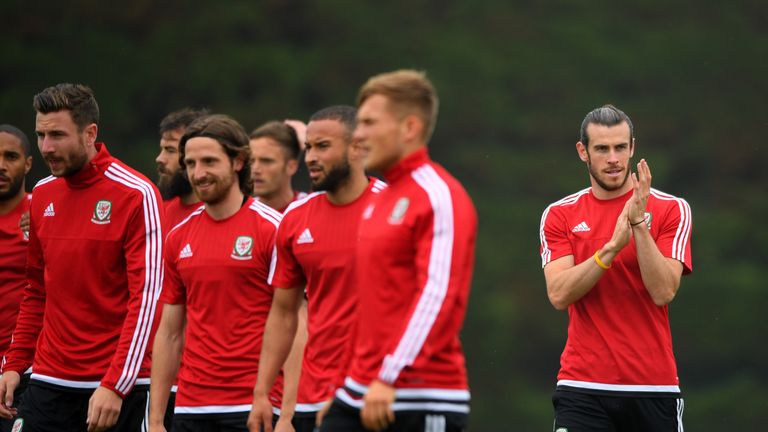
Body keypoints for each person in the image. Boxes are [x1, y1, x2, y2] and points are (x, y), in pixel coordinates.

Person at [0, 83, 164, 431]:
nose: (47, 147)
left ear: (90, 133)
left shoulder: (136, 193)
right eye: (41, 135)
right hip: (48, 379)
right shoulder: (43, 194)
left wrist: (116, 384)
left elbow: (147, 301)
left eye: (57, 135)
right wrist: (15, 365)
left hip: (116, 385)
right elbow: (36, 291)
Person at [321, 70, 477, 432]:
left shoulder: (438, 195)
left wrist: (390, 376)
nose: (358, 134)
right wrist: (343, 383)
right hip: (359, 389)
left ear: (408, 128)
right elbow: (369, 301)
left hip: (417, 397)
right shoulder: (382, 198)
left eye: (370, 123)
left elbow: (438, 295)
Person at [539, 104, 693, 431]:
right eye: (602, 149)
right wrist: (608, 251)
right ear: (583, 152)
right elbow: (558, 293)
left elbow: (664, 291)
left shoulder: (672, 209)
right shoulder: (559, 214)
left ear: (633, 147)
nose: (613, 158)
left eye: (621, 147)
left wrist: (638, 223)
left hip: (653, 388)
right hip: (581, 388)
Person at [149, 114, 297, 432]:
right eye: (190, 163)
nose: (198, 174)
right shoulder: (178, 237)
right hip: (190, 407)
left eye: (209, 162)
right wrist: (157, 419)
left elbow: (295, 324)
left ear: (238, 161)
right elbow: (169, 332)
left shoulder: (273, 228)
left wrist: (287, 414)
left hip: (255, 406)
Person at [248, 106, 387, 432]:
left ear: (357, 147)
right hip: (312, 396)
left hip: (376, 393)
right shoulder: (295, 219)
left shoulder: (393, 209)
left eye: (322, 146)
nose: (310, 157)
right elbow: (284, 314)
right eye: (308, 147)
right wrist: (264, 395)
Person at [0, 125, 33, 432]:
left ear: (28, 163)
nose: (1, 165)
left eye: (10, 156)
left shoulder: (42, 216)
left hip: (23, 375)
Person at [156, 107, 209, 228]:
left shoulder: (218, 214)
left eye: (170, 150)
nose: (159, 159)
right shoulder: (159, 213)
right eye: (162, 149)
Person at [249, 121, 307, 213]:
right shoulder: (240, 213)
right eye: (251, 161)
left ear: (291, 167)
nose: (255, 169)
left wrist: (309, 144)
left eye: (266, 161)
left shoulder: (312, 209)